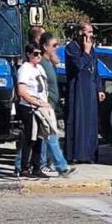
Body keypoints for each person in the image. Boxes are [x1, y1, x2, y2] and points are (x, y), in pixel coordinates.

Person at [64, 23, 105, 163]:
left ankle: (89, 154)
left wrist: (99, 88)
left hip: (91, 88)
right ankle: (75, 155)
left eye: (92, 32)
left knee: (91, 122)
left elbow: (95, 69)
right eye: (88, 32)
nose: (91, 35)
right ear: (80, 33)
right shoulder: (72, 48)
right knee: (77, 120)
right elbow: (78, 65)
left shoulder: (92, 49)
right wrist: (86, 52)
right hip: (78, 88)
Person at [38, 32, 73, 177]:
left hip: (51, 104)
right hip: (45, 104)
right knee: (50, 135)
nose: (56, 48)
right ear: (45, 47)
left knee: (46, 136)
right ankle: (58, 166)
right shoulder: (41, 64)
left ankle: (46, 164)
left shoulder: (49, 63)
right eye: (54, 45)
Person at [15, 43, 51, 178]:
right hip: (29, 107)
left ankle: (37, 167)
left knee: (40, 138)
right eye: (35, 54)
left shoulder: (40, 68)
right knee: (30, 137)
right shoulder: (25, 69)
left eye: (40, 53)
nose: (38, 56)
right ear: (29, 54)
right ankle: (24, 167)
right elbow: (22, 91)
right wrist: (35, 102)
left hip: (41, 107)